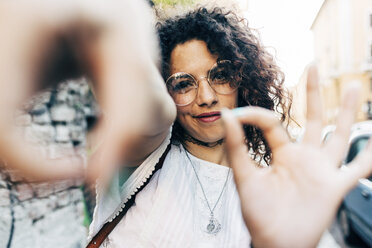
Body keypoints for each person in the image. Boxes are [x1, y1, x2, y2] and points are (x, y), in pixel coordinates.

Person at [89, 6, 372, 248]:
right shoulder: (142, 159)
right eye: (183, 83)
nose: (207, 97)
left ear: (244, 81)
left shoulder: (272, 187)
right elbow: (148, 112)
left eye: (221, 75)